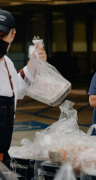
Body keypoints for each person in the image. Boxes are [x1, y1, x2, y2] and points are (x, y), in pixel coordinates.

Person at [0, 9, 47, 168]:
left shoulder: (7, 63)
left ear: (12, 36)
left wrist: (34, 62)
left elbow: (17, 90)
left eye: (1, 36)